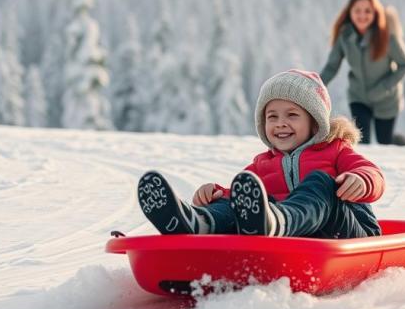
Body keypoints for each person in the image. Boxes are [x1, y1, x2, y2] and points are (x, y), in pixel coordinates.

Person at [136, 69, 384, 238]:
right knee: (241, 199)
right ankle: (198, 223)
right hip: (295, 238)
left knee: (320, 182)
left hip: (348, 233)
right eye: (272, 116)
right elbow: (241, 198)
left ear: (315, 123)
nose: (280, 123)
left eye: (292, 115)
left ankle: (276, 221)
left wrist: (361, 180)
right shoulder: (262, 164)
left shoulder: (336, 149)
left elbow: (374, 174)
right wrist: (216, 195)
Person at [319, 0, 405, 146]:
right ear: (349, 12)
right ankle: (362, 170)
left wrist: (384, 87)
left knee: (385, 140)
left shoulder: (386, 37)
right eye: (357, 10)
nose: (362, 15)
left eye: (367, 11)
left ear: (375, 13)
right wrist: (316, 85)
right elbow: (332, 66)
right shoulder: (345, 37)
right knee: (362, 141)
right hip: (359, 97)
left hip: (386, 98)